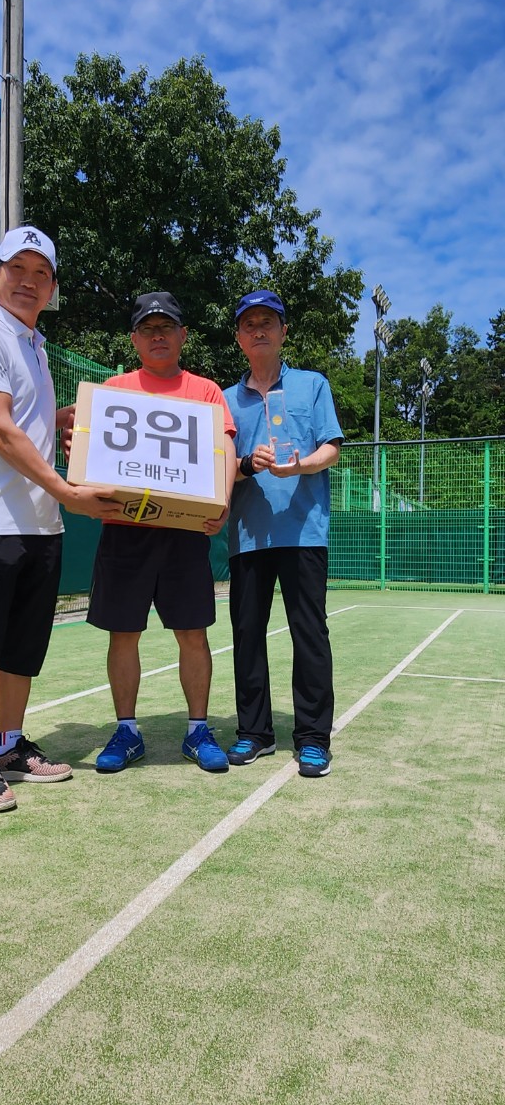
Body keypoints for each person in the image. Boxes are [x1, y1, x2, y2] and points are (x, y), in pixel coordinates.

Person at [0, 225, 119, 814]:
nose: (27, 281)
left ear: (51, 287)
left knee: (20, 649)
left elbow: (24, 419)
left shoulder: (35, 347)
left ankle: (10, 746)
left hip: (41, 526)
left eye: (40, 273)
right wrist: (68, 491)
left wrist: (67, 414)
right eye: (16, 269)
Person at [85, 292, 237, 774]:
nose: (157, 335)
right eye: (148, 328)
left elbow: (225, 452)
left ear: (182, 336)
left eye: (166, 327)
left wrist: (223, 502)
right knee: (123, 632)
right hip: (125, 531)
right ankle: (126, 730)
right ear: (134, 339)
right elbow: (91, 454)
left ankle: (198, 730)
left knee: (193, 633)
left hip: (185, 534)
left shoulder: (207, 392)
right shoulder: (113, 389)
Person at [223, 289, 343, 777]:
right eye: (249, 323)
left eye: (267, 322)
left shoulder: (313, 386)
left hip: (304, 533)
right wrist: (247, 465)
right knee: (247, 635)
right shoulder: (225, 399)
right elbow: (217, 467)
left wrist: (301, 468)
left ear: (283, 332)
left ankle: (313, 738)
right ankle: (254, 733)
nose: (258, 330)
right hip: (247, 537)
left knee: (309, 635)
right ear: (238, 337)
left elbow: (331, 448)